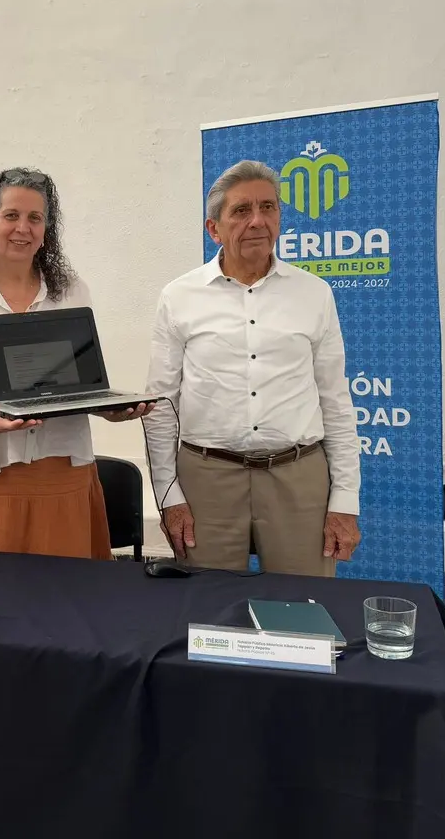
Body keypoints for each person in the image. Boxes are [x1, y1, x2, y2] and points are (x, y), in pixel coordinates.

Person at [143, 159, 361, 576]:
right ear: (214, 229)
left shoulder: (315, 294)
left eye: (268, 208)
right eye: (241, 211)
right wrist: (169, 497)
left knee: (303, 615)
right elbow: (161, 404)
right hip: (206, 479)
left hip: (298, 478)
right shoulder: (179, 296)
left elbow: (336, 400)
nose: (257, 221)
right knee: (207, 612)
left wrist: (345, 502)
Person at [0, 168, 151, 559]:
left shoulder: (72, 292)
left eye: (36, 218)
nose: (23, 228)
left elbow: (78, 383)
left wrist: (108, 409)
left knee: (64, 600)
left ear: (47, 230)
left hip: (62, 469)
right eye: (11, 215)